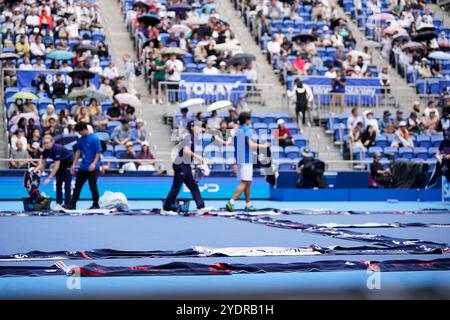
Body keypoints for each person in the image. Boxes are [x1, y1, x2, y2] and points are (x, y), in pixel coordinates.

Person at [226, 112, 270, 212]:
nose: (250, 121)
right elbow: (251, 145)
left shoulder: (237, 131)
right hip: (246, 160)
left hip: (240, 159)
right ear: (246, 120)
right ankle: (231, 202)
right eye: (249, 119)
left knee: (248, 182)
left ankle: (248, 204)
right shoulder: (247, 130)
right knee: (244, 182)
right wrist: (264, 146)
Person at [163, 121, 206, 213]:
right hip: (180, 165)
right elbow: (186, 151)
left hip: (186, 165)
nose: (200, 129)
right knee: (176, 187)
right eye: (198, 127)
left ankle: (201, 207)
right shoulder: (189, 137)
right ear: (192, 127)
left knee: (193, 186)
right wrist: (198, 157)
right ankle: (166, 208)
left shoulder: (192, 137)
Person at [69, 122, 102, 210]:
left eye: (80, 132)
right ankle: (72, 204)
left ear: (84, 130)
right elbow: (78, 152)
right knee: (77, 186)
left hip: (93, 167)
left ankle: (95, 204)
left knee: (93, 186)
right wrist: (74, 164)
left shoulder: (94, 139)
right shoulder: (80, 139)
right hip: (83, 166)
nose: (79, 134)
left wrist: (94, 164)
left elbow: (98, 152)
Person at [36, 135, 74, 208]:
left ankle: (67, 204)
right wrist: (37, 172)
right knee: (58, 184)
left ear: (52, 142)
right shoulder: (45, 151)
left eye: (47, 143)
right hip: (61, 164)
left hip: (69, 164)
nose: (45, 145)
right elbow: (42, 164)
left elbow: (56, 166)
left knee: (67, 185)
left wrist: (49, 178)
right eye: (44, 143)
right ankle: (59, 203)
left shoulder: (57, 149)